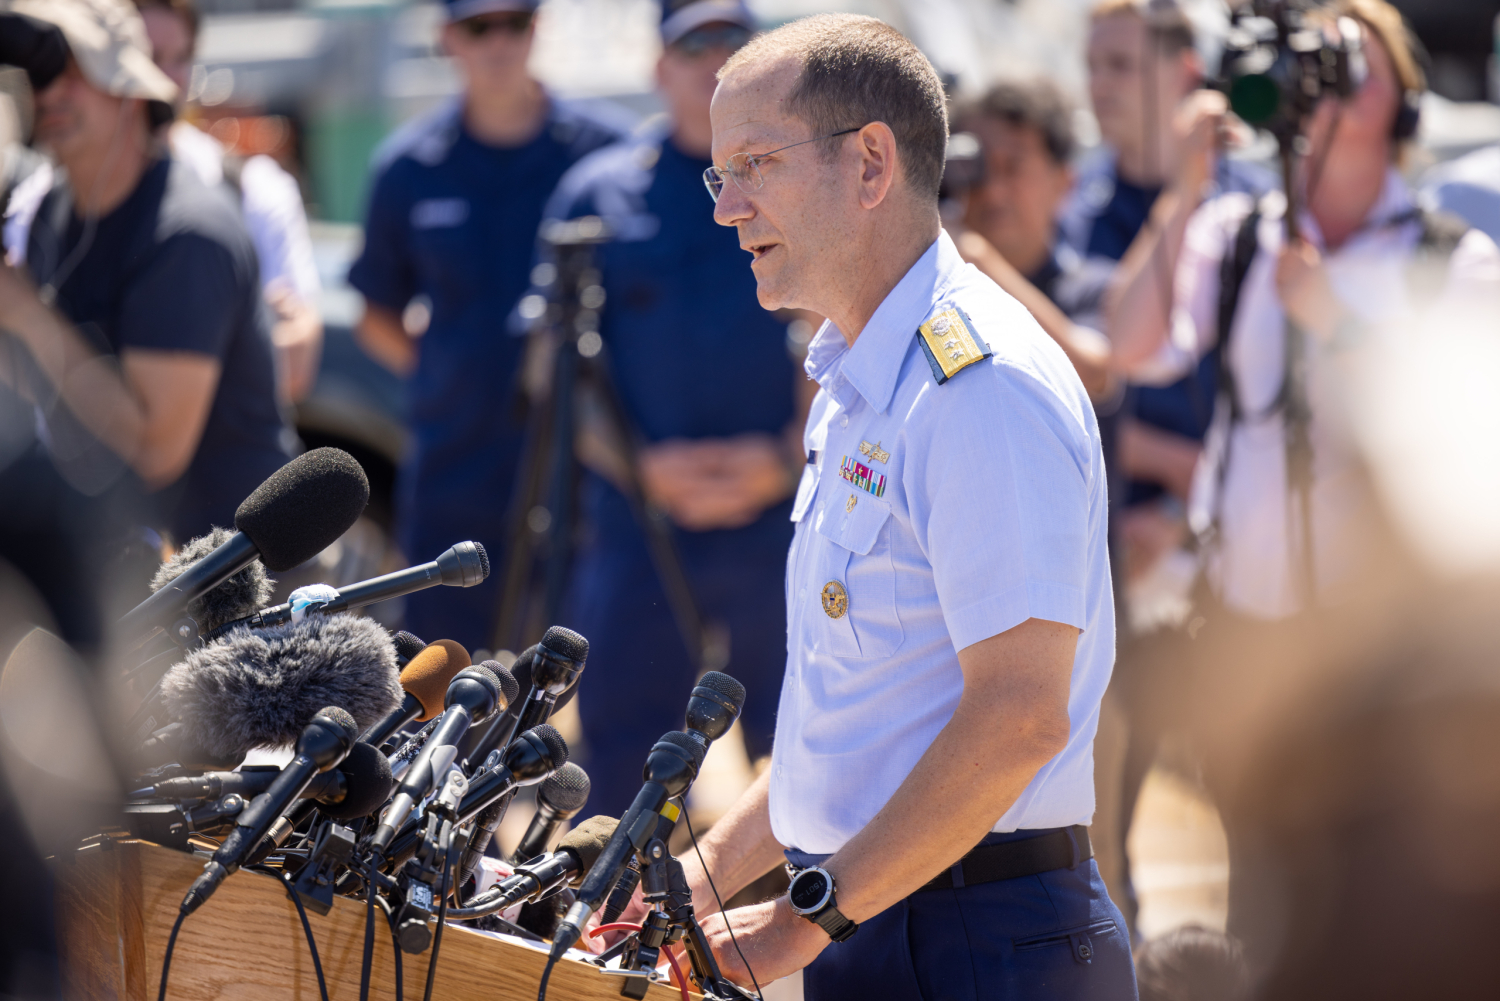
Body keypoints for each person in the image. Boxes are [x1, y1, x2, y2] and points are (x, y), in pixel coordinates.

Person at [659, 14, 1132, 998]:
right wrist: (691, 885)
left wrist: (803, 919)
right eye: (720, 173)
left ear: (870, 163)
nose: (726, 207)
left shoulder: (977, 385)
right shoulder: (865, 382)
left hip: (977, 934)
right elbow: (858, 722)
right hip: (880, 915)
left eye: (755, 162)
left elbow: (1020, 713)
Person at [1104, 0, 1500, 956]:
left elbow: (1462, 454)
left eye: (1349, 68)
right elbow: (1131, 345)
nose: (1320, 88)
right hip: (1248, 638)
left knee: (1395, 905)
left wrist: (1335, 320)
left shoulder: (1453, 258)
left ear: (1403, 108)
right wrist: (1187, 186)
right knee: (1268, 908)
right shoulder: (1235, 236)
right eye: (1310, 66)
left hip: (1383, 666)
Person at [539, 0, 806, 820]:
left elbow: (838, 324)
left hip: (781, 517)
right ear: (660, 68)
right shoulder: (598, 193)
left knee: (805, 746)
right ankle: (613, 929)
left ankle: (807, 935)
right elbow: (554, 371)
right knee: (624, 759)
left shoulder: (804, 184)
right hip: (640, 524)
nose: (715, 62)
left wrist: (787, 456)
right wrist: (642, 471)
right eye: (696, 46)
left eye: (735, 43)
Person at [347, 0, 630, 650]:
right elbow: (376, 315)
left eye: (516, 23)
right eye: (480, 27)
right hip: (456, 455)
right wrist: (446, 373)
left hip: (585, 453)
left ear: (538, 29)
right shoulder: (408, 165)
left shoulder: (606, 154)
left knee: (587, 660)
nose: (499, 41)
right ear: (448, 38)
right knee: (442, 662)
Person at [0, 0, 291, 547]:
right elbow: (35, 389)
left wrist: (26, 315)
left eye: (75, 70)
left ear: (130, 87)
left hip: (236, 591)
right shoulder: (49, 210)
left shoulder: (187, 231)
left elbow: (155, 452)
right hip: (132, 577)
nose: (52, 93)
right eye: (40, 74)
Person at [136, 0, 324, 405]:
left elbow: (296, 365)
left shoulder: (255, 189)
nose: (168, 79)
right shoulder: (48, 199)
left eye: (181, 58)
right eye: (148, 58)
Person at [946, 79, 1114, 399]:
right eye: (977, 167)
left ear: (1065, 182)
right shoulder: (933, 289)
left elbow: (1093, 374)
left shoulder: (1095, 288)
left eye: (1013, 167)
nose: (993, 191)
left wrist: (974, 259)